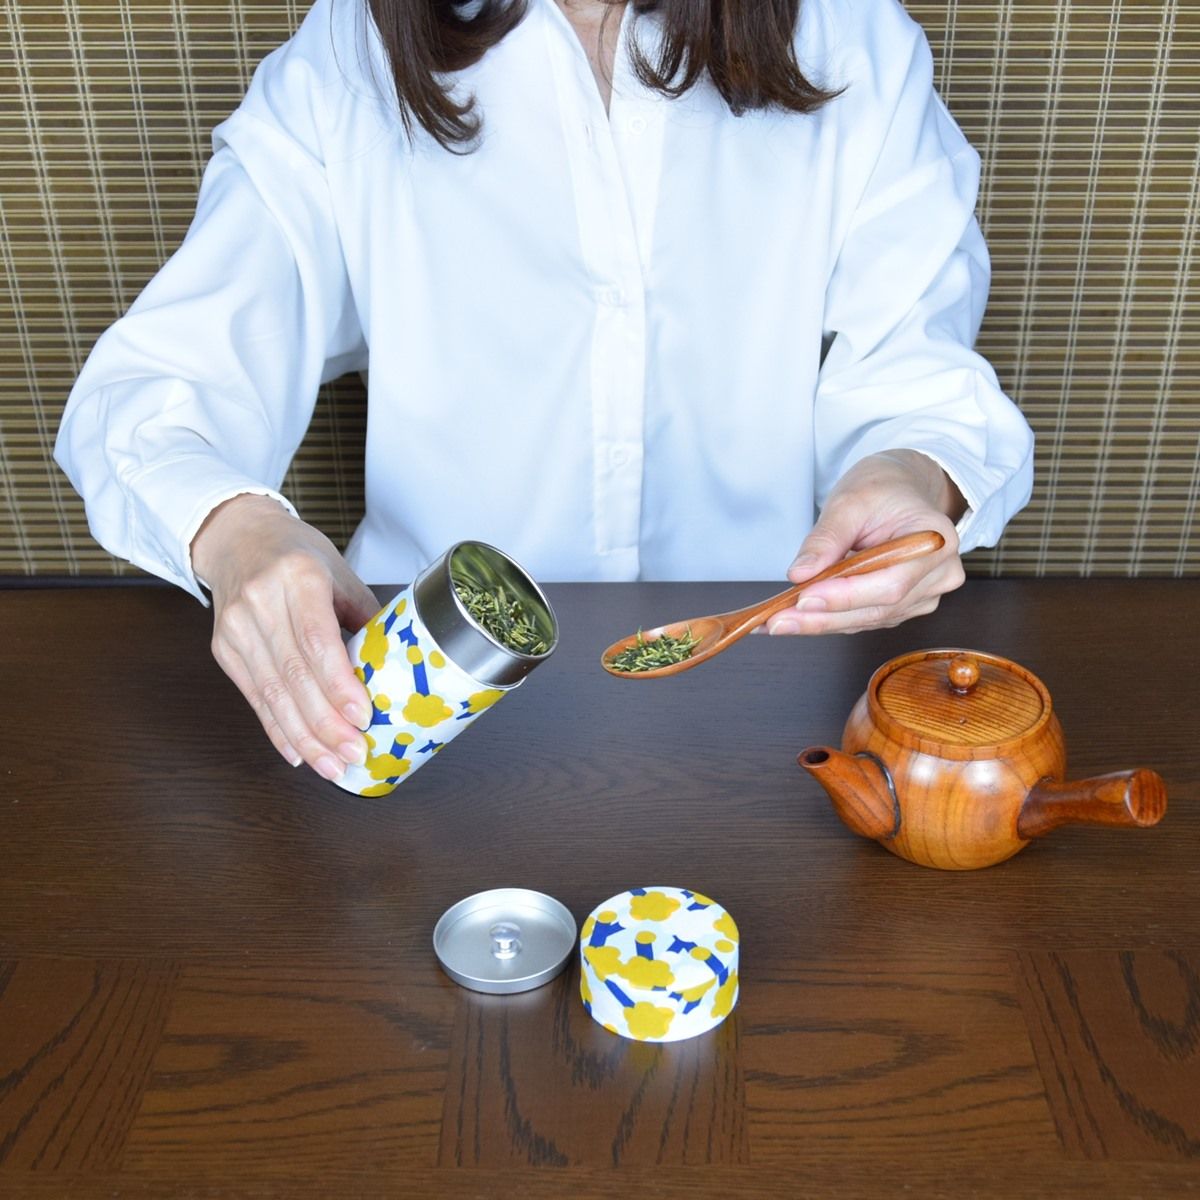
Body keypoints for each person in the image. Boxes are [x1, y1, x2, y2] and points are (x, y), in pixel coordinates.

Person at [55, 0, 1034, 784]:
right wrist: (237, 535)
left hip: (771, 702)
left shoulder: (852, 34)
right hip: (420, 719)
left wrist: (910, 477)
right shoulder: (348, 52)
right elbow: (153, 390)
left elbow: (917, 378)